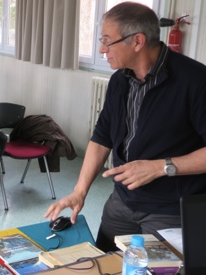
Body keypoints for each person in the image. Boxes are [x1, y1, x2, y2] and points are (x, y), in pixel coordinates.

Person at [44, 2, 206, 252]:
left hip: (171, 208)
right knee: (105, 263)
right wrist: (80, 191)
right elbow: (101, 138)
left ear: (138, 41)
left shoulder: (195, 81)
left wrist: (160, 167)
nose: (101, 49)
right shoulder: (120, 80)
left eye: (107, 41)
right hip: (123, 200)